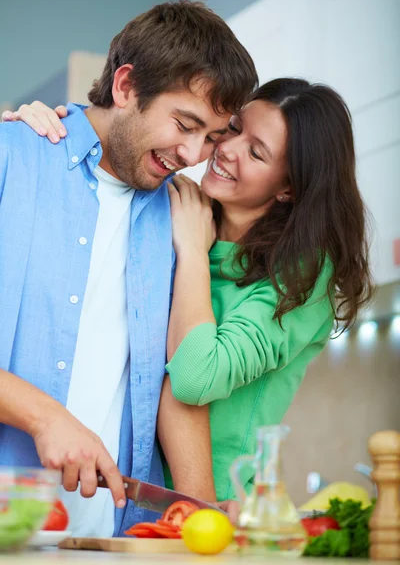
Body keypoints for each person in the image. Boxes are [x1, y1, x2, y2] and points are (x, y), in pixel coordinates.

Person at [7, 78, 374, 505]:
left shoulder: (301, 279)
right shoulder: (179, 205)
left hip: (214, 505)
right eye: (233, 129)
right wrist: (46, 125)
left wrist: (193, 254)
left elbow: (193, 379)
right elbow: (114, 137)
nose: (226, 149)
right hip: (132, 497)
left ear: (288, 187)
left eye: (256, 152)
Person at [0, 0, 258, 538]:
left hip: (111, 537)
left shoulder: (182, 214)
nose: (192, 153)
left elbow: (174, 384)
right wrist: (45, 417)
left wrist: (200, 516)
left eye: (211, 137)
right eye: (185, 123)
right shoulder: (11, 158)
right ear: (125, 86)